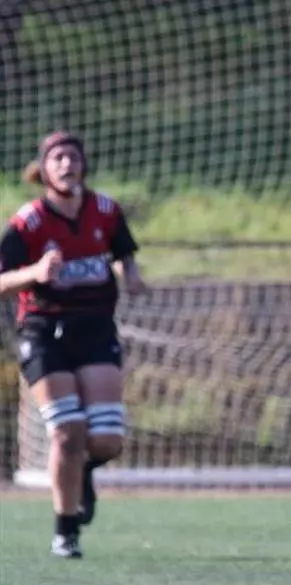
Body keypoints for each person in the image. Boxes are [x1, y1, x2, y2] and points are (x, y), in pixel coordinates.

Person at [0, 131, 146, 558]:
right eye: (58, 158)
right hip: (44, 333)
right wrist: (34, 273)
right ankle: (66, 530)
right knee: (66, 433)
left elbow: (123, 252)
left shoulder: (106, 211)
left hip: (96, 331)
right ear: (43, 169)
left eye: (73, 157)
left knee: (106, 441)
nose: (67, 164)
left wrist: (131, 274)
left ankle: (80, 473)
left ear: (84, 165)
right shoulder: (28, 222)